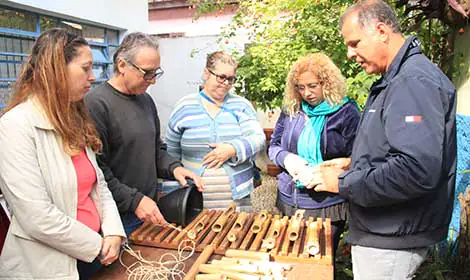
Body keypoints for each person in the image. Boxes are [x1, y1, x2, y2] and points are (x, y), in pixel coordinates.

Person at [311, 1, 457, 279]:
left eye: (354, 43)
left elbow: (416, 169)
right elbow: (395, 149)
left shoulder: (411, 81)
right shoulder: (396, 78)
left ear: (380, 31)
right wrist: (353, 163)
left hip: (391, 237)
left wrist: (342, 183)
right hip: (386, 232)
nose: (349, 53)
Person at [0, 28, 125, 279]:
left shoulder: (73, 118)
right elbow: (36, 216)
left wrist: (113, 231)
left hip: (95, 254)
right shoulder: (15, 125)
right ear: (56, 69)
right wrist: (96, 243)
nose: (93, 77)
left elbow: (98, 184)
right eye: (86, 68)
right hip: (48, 266)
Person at [85, 32, 203, 237]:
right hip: (116, 218)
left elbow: (155, 149)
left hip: (148, 209)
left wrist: (174, 168)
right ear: (122, 65)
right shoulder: (95, 104)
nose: (153, 80)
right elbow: (96, 170)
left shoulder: (145, 100)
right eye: (147, 73)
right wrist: (134, 200)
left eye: (156, 73)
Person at [268, 53, 360, 256]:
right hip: (288, 199)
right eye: (300, 87)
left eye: (312, 86)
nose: (306, 93)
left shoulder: (346, 112)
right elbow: (273, 146)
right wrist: (287, 159)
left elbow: (360, 158)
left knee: (319, 262)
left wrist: (333, 168)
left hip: (326, 204)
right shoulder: (292, 110)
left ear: (326, 83)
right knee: (289, 257)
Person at [166, 51, 265, 212]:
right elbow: (171, 154)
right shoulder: (185, 107)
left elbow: (258, 139)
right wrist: (172, 193)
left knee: (238, 235)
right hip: (194, 199)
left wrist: (232, 149)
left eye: (231, 79)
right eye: (221, 77)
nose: (226, 83)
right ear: (206, 73)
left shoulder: (241, 106)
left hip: (237, 200)